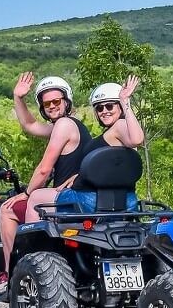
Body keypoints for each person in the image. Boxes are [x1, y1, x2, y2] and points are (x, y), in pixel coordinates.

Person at [0, 73, 85, 295]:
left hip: (61, 201)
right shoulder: (72, 125)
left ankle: (10, 275)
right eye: (47, 103)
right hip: (73, 198)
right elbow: (29, 125)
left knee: (7, 210)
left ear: (67, 101)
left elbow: (44, 169)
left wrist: (26, 193)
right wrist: (18, 98)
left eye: (56, 101)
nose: (52, 106)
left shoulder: (63, 125)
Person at [44, 75, 147, 213]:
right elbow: (111, 167)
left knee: (35, 197)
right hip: (125, 199)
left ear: (120, 107)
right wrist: (82, 174)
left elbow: (137, 139)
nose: (104, 111)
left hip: (90, 199)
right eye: (99, 108)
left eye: (109, 106)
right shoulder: (114, 132)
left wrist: (125, 101)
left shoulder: (120, 125)